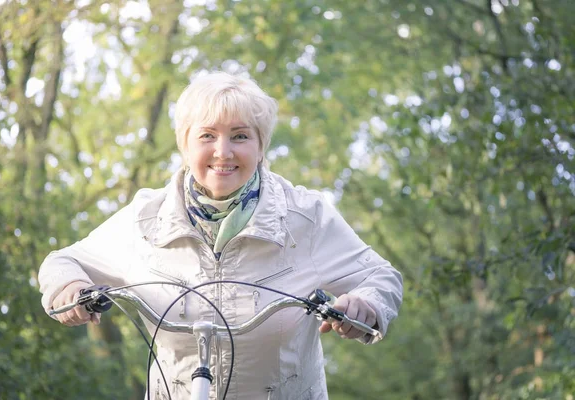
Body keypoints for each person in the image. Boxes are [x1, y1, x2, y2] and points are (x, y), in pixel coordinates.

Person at [38, 71, 403, 400]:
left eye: (240, 136)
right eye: (207, 136)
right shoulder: (146, 221)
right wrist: (68, 289)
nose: (223, 152)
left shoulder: (304, 218)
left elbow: (381, 277)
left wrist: (365, 306)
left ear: (261, 147)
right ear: (185, 145)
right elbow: (63, 261)